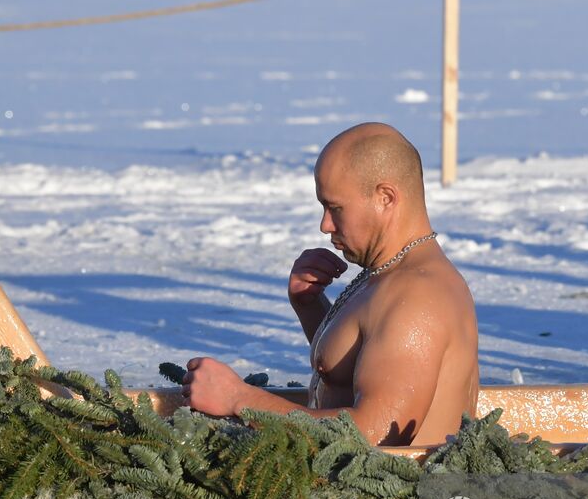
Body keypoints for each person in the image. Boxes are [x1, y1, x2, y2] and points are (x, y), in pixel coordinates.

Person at [181, 122, 479, 446]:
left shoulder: (418, 298)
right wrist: (310, 306)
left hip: (394, 494)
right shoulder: (387, 274)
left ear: (385, 198)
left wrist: (240, 399)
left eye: (335, 208)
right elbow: (352, 374)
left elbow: (374, 434)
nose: (325, 225)